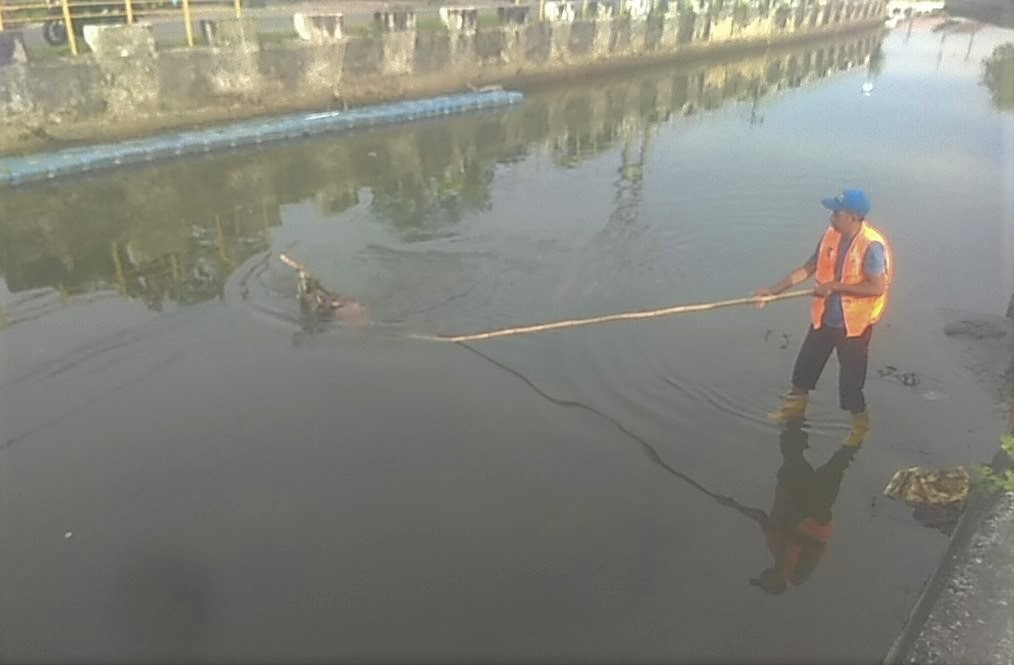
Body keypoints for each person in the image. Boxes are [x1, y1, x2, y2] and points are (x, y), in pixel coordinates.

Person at [753, 189, 892, 448]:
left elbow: (877, 287)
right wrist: (772, 292)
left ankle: (860, 426)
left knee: (850, 386)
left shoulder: (872, 245)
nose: (832, 217)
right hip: (825, 319)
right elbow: (808, 267)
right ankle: (793, 411)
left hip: (853, 327)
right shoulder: (831, 235)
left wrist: (836, 286)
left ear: (853, 217)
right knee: (802, 373)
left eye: (837, 212)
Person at [749, 419, 859, 595]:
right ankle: (859, 431)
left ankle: (795, 419)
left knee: (791, 452)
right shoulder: (796, 576)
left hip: (795, 499)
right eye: (765, 582)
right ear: (777, 584)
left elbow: (764, 520)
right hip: (815, 516)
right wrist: (787, 532)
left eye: (761, 579)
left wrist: (735, 506)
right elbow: (816, 548)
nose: (763, 576)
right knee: (835, 467)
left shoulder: (773, 546)